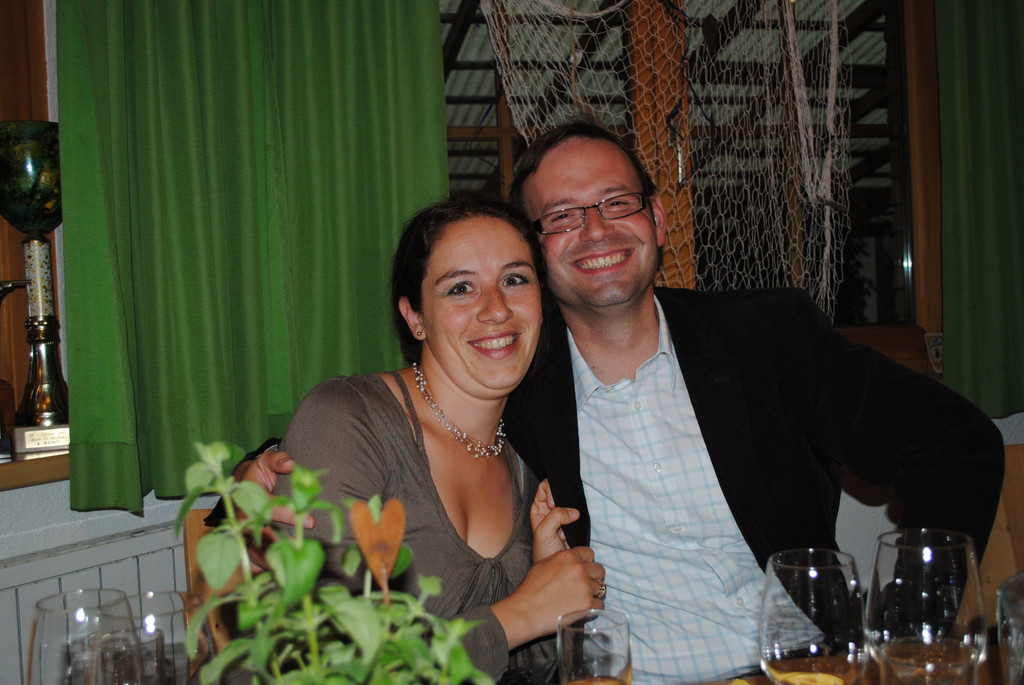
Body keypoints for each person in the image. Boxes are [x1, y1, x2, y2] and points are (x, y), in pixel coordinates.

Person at [242, 120, 1005, 685]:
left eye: (617, 201)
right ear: (537, 251)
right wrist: (259, 472)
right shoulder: (517, 382)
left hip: (794, 672)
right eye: (561, 215)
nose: (596, 229)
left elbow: (956, 442)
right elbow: (402, 415)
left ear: (658, 220)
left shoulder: (768, 338)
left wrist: (906, 627)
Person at [260, 193, 605, 681]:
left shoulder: (531, 452)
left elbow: (523, 667)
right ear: (415, 317)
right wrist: (519, 614)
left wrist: (544, 582)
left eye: (514, 280)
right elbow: (319, 658)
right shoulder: (348, 419)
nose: (496, 309)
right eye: (461, 288)